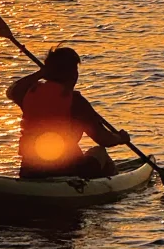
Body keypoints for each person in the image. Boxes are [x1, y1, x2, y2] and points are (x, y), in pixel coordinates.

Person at [7, 45, 129, 180]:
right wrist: (120, 138)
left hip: (30, 170)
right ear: (72, 74)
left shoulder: (30, 92)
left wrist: (40, 73)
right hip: (67, 171)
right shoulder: (76, 101)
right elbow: (103, 139)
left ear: (49, 72)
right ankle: (109, 188)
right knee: (99, 152)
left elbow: (12, 90)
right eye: (75, 69)